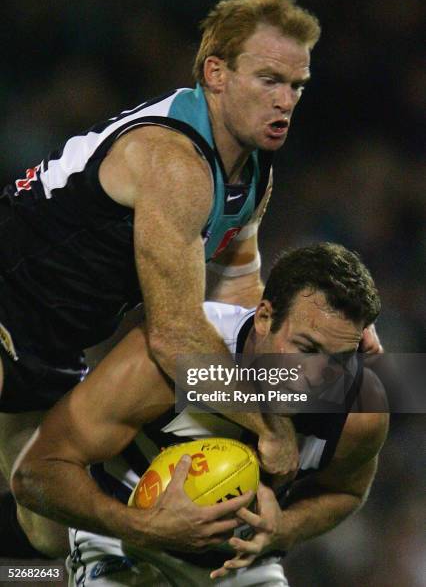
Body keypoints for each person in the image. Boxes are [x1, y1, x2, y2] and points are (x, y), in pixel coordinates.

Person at [0, 0, 325, 559]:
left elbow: (234, 297)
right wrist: (270, 426)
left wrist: (289, 375)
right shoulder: (175, 163)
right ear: (216, 72)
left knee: (49, 535)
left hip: (52, 341)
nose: (286, 102)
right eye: (269, 80)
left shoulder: (252, 171)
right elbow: (175, 338)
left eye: (296, 86)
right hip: (7, 305)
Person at [13, 243, 389, 586]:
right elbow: (36, 472)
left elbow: (346, 490)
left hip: (240, 563)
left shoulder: (358, 411)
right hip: (124, 541)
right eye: (306, 348)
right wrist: (144, 526)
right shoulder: (167, 362)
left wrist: (285, 528)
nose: (314, 377)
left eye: (338, 361)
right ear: (263, 317)